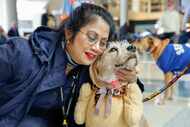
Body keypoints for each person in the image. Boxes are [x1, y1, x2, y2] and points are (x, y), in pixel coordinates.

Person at [0, 3, 141, 127]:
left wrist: (132, 78)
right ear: (69, 33)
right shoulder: (20, 53)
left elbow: (122, 83)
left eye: (103, 42)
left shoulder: (89, 69)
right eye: (92, 37)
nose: (97, 47)